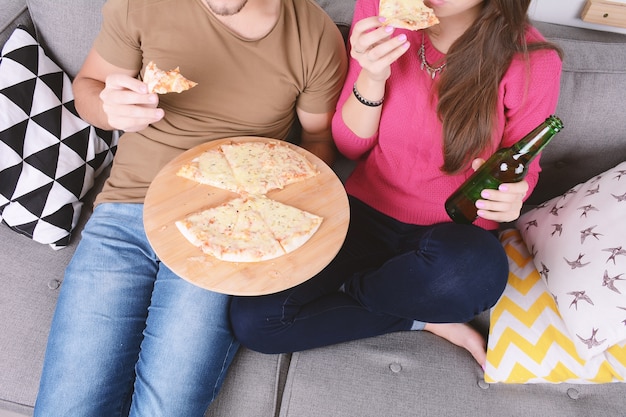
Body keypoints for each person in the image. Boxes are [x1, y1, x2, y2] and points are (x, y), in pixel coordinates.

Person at [33, 0, 347, 416]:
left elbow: (317, 141)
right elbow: (88, 86)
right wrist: (108, 108)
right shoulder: (141, 5)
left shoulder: (316, 37)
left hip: (232, 230)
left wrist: (275, 208)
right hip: (126, 212)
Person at [230, 0, 563, 368]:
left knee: (473, 277)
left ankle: (383, 292)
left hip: (454, 234)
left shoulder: (534, 61)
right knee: (255, 322)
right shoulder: (381, 10)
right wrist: (372, 75)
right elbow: (350, 146)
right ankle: (419, 315)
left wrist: (516, 196)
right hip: (363, 212)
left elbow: (523, 167)